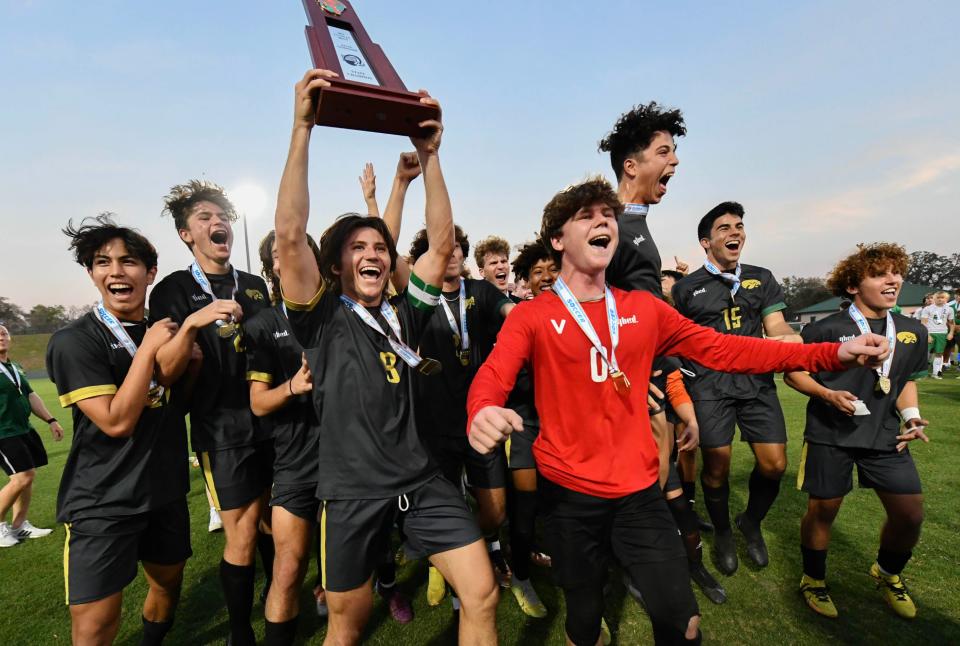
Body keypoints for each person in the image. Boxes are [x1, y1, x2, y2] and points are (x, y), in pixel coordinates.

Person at [466, 177, 890, 646]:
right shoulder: (533, 316)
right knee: (584, 621)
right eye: (586, 216)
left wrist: (832, 353)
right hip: (570, 497)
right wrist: (482, 408)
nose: (602, 221)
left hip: (638, 495)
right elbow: (493, 374)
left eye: (607, 215)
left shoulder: (644, 309)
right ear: (558, 240)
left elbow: (728, 350)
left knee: (683, 623)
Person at [275, 68, 498, 646]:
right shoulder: (319, 315)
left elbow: (442, 244)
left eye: (380, 247)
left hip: (422, 481)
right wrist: (303, 129)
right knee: (346, 628)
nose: (372, 254)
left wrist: (431, 156)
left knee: (481, 593)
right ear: (336, 265)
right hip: (350, 493)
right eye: (358, 248)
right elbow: (290, 232)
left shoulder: (408, 312)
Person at [46, 215, 191, 645]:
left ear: (150, 273)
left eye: (128, 262)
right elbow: (116, 421)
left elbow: (178, 403)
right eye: (102, 262)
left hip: (164, 491)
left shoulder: (168, 331)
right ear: (91, 275)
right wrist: (148, 350)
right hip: (103, 501)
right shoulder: (75, 341)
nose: (115, 271)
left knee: (167, 585)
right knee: (95, 627)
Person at [148, 181, 273, 646]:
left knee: (275, 523)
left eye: (221, 215)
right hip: (222, 430)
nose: (217, 222)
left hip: (273, 421)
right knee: (240, 534)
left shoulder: (257, 286)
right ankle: (241, 634)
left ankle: (281, 603)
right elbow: (163, 369)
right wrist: (193, 326)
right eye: (204, 217)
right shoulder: (173, 291)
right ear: (186, 235)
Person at [784, 243, 930, 620]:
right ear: (852, 285)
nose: (893, 280)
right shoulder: (825, 328)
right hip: (830, 433)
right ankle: (813, 580)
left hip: (884, 435)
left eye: (896, 273)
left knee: (909, 514)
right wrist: (826, 392)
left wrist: (911, 416)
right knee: (823, 511)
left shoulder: (913, 330)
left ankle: (887, 573)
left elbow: (903, 381)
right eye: (880, 274)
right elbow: (794, 372)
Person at [671, 202, 800, 576]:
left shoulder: (761, 277)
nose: (735, 233)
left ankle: (751, 522)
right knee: (717, 467)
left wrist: (793, 340)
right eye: (724, 228)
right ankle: (724, 532)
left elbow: (775, 327)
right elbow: (679, 342)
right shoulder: (685, 288)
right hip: (710, 385)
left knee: (774, 465)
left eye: (739, 226)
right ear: (705, 242)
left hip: (756, 382)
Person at [409, 224, 515, 609]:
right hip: (434, 424)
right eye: (441, 248)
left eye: (456, 248)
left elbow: (508, 310)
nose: (451, 254)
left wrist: (520, 314)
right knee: (448, 506)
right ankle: (453, 572)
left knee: (495, 510)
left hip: (479, 422)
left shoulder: (481, 292)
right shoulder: (418, 300)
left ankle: (487, 545)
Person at [501, 238, 559, 618]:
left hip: (566, 428)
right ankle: (520, 576)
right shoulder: (520, 318)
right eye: (537, 272)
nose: (547, 276)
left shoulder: (579, 314)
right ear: (526, 280)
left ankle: (578, 580)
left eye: (552, 268)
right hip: (526, 422)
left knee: (561, 509)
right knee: (524, 511)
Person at [0, 323, 63, 546]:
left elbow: (30, 395)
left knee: (28, 477)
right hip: (3, 432)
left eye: (4, 333)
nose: (1, 336)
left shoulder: (14, 367)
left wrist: (51, 420)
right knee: (21, 478)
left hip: (22, 428)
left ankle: (19, 526)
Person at [919, 291, 955, 379]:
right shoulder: (927, 309)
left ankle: (935, 373)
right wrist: (927, 335)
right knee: (924, 353)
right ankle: (921, 373)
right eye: (938, 298)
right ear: (934, 299)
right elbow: (923, 323)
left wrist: (951, 333)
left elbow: (951, 323)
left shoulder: (949, 309)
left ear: (946, 299)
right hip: (930, 333)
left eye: (942, 298)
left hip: (942, 334)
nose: (940, 299)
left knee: (939, 353)